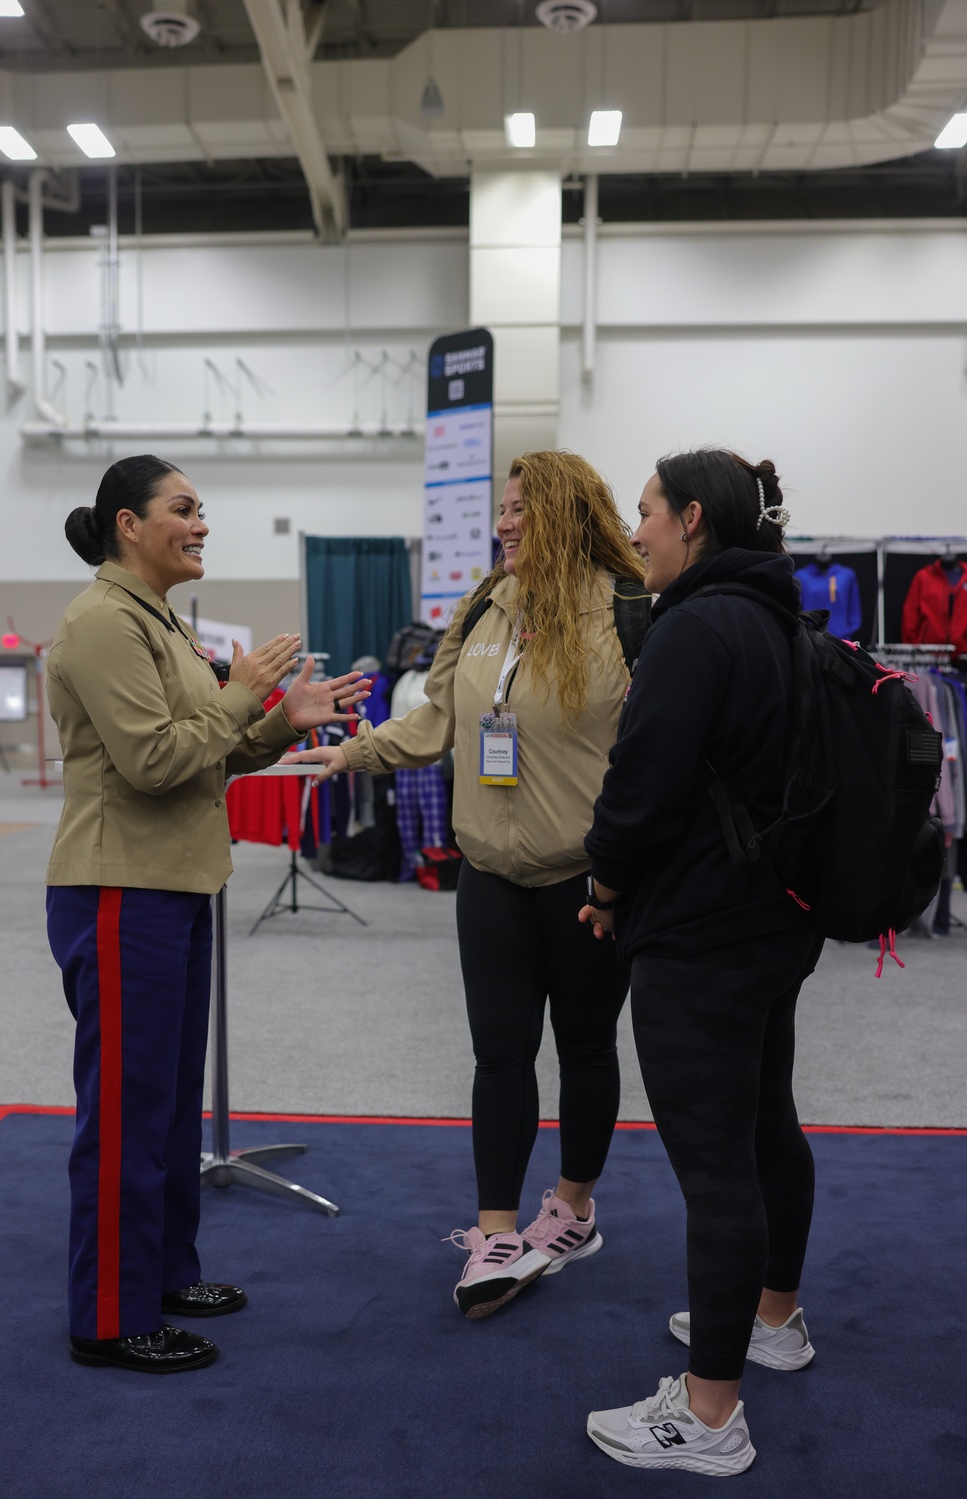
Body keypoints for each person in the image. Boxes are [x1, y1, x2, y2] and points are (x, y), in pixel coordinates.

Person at [293, 450, 650, 1318]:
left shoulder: (634, 612)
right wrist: (355, 749)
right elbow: (438, 716)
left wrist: (628, 866)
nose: (505, 523)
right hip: (489, 868)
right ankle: (495, 1231)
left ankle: (571, 1208)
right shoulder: (486, 603)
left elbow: (659, 750)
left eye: (522, 508)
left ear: (567, 511)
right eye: (502, 508)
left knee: (587, 1044)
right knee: (499, 1048)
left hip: (587, 877)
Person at [46, 454, 369, 1374]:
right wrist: (240, 695)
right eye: (183, 509)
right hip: (120, 889)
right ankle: (108, 1317)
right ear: (127, 525)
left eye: (202, 510)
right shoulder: (104, 621)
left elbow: (207, 754)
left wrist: (280, 719)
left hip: (173, 887)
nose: (201, 524)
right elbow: (152, 761)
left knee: (167, 1105)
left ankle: (162, 1273)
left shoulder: (159, 621)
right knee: (126, 1112)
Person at [580, 449, 822, 1476]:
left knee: (715, 1162)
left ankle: (711, 1413)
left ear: (690, 517)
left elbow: (642, 783)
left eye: (643, 514)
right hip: (774, 923)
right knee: (767, 1121)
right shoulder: (782, 620)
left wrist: (602, 885)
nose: (634, 533)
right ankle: (773, 1317)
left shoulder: (692, 627)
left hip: (700, 932)